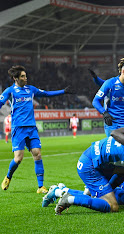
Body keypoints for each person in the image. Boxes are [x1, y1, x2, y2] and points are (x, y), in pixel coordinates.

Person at [0, 65, 75, 193]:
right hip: (18, 129)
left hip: (32, 128)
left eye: (25, 75)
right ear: (15, 78)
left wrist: (63, 91)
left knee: (37, 154)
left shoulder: (31, 89)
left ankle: (40, 187)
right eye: (22, 76)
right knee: (18, 158)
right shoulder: (10, 91)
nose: (25, 78)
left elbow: (46, 93)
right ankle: (8, 176)